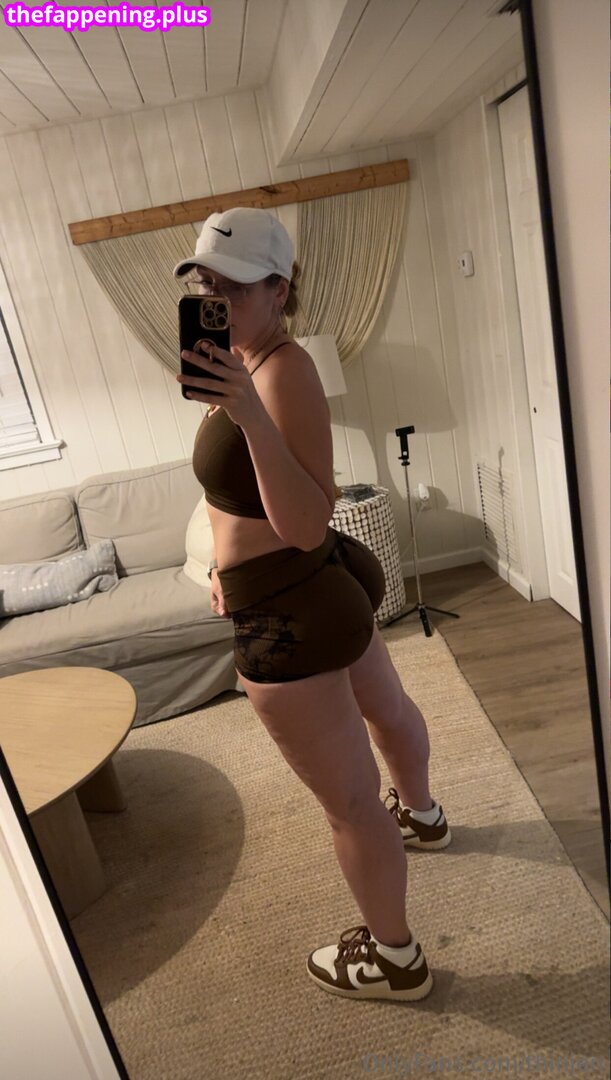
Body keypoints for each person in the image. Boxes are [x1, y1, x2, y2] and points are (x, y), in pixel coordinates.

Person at [173, 207, 451, 1002]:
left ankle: (395, 961)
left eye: (233, 287)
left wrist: (246, 413)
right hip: (310, 590)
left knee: (350, 806)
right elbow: (244, 498)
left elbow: (303, 521)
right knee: (386, 710)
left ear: (278, 289)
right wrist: (221, 562)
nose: (214, 298)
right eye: (204, 283)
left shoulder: (280, 372)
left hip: (288, 611)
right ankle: (423, 817)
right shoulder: (246, 362)